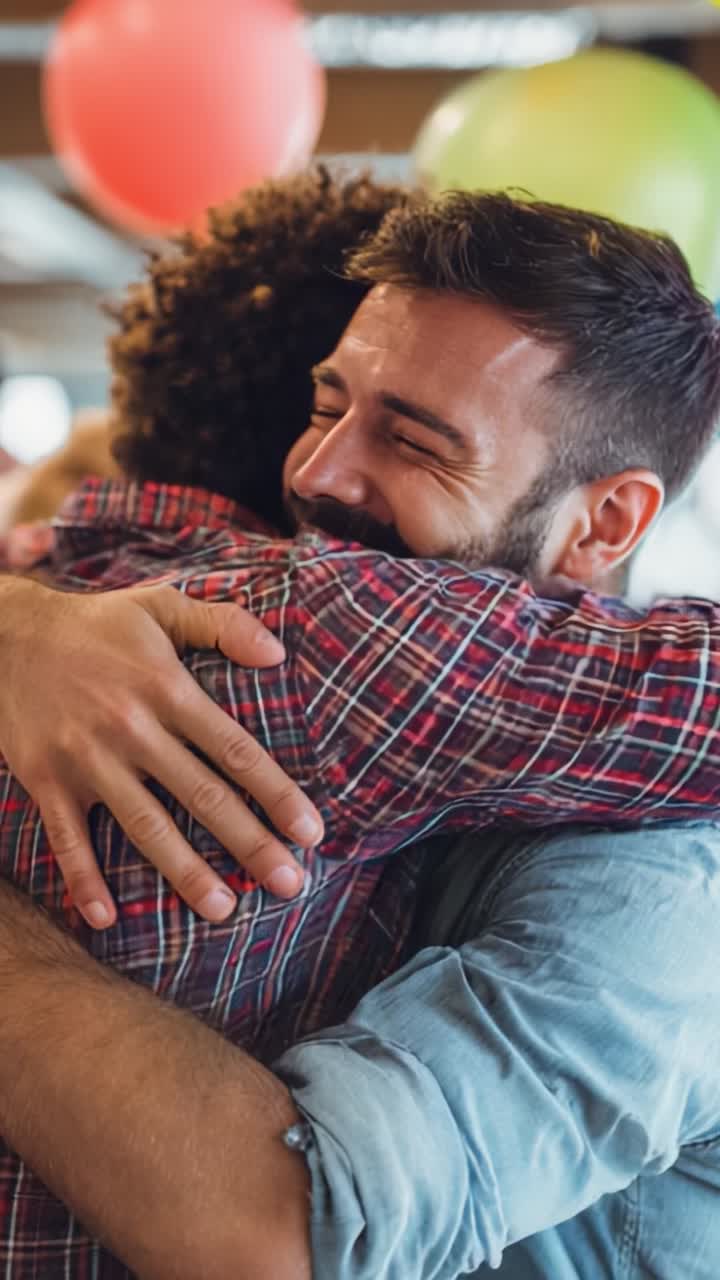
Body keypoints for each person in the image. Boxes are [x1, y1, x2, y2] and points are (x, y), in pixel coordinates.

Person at [3, 186, 720, 1278]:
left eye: (417, 440)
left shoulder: (655, 873)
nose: (318, 472)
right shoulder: (299, 629)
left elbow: (288, 1232)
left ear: (607, 522)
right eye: (327, 401)